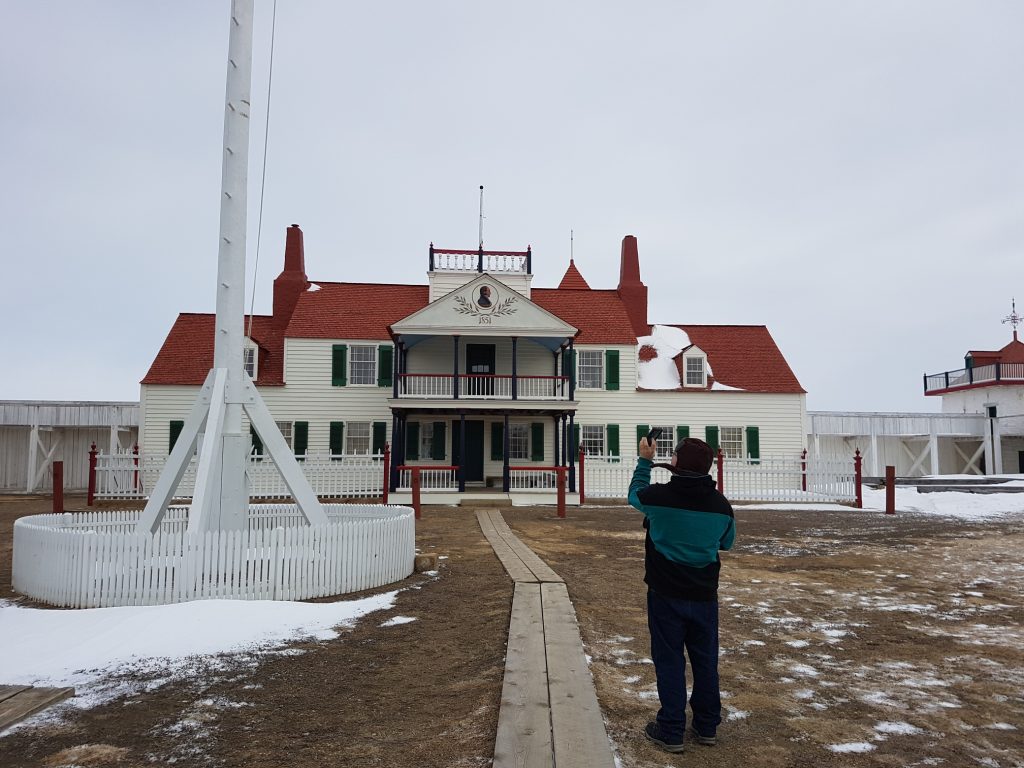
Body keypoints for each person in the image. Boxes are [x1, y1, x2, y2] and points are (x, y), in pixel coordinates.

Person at [628, 436, 736, 754]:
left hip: (665, 594)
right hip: (704, 596)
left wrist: (645, 460)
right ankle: (706, 726)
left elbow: (634, 495)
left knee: (669, 660)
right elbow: (725, 543)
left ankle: (671, 729)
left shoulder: (657, 497)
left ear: (675, 462)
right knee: (705, 661)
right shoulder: (721, 506)